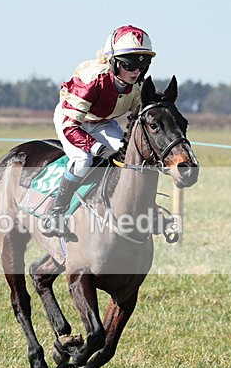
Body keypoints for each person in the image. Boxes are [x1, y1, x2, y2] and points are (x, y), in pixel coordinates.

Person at [42, 25, 156, 237]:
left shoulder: (138, 85)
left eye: (142, 65)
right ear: (113, 62)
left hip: (102, 122)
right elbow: (70, 126)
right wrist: (96, 148)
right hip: (72, 120)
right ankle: (55, 213)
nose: (136, 71)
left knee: (128, 156)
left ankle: (147, 209)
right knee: (84, 160)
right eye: (129, 65)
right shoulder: (92, 80)